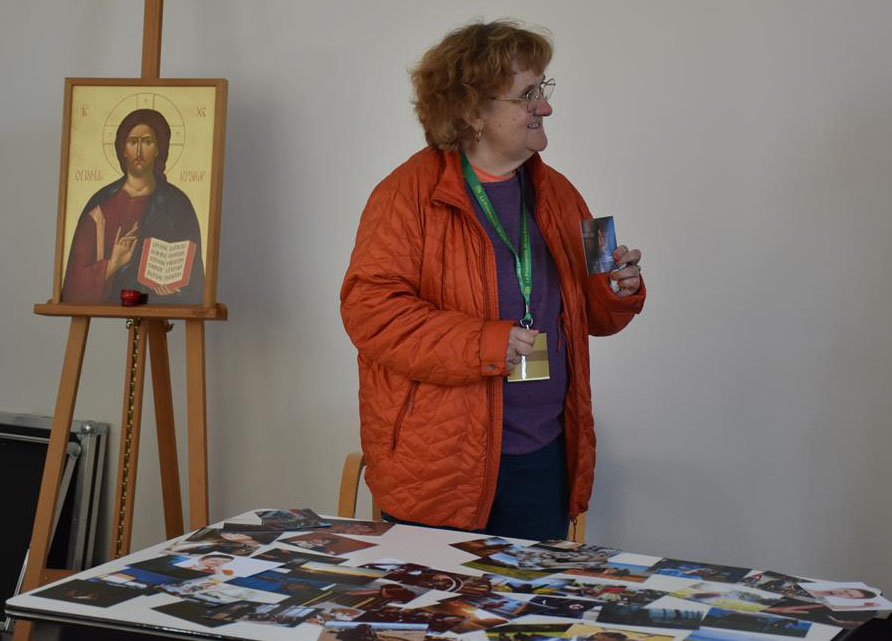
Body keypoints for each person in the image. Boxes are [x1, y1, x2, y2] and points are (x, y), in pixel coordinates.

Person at [340, 20, 644, 540]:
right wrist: (485, 344)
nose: (545, 107)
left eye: (543, 89)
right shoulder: (404, 196)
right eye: (528, 95)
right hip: (440, 471)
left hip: (542, 459)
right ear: (472, 111)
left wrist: (618, 288)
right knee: (439, 598)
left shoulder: (559, 193)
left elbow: (593, 313)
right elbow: (372, 314)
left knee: (532, 597)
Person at [62, 108, 204, 304]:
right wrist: (113, 264)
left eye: (147, 142)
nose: (139, 151)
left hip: (158, 305)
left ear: (158, 150)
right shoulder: (101, 205)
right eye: (132, 142)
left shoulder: (178, 203)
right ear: (123, 150)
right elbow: (75, 284)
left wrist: (175, 289)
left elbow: (194, 278)